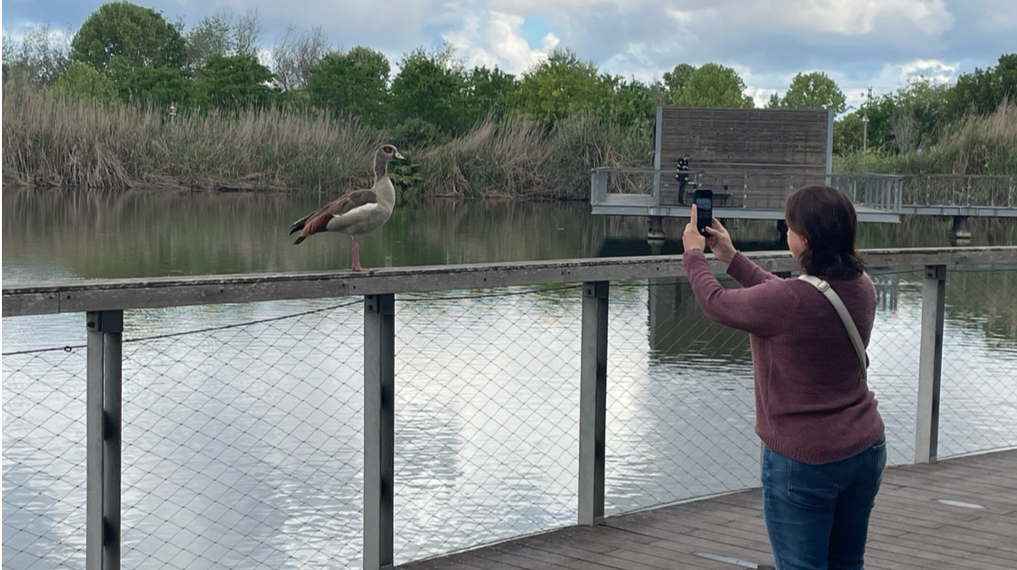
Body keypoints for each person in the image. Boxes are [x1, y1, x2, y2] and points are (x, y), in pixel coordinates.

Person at [681, 185, 886, 570]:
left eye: (789, 228)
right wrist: (731, 258)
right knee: (848, 564)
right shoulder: (863, 286)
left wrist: (694, 255)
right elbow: (791, 296)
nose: (786, 233)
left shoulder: (790, 302)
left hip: (804, 459)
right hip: (865, 447)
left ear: (804, 239)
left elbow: (716, 303)